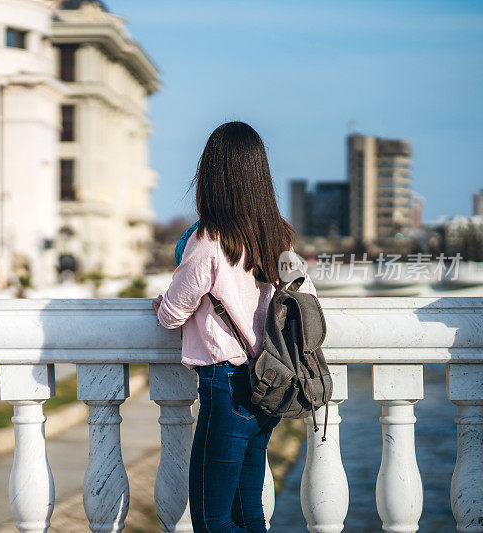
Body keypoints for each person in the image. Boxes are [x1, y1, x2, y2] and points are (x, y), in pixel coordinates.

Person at [151, 121, 316, 532]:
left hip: (226, 388)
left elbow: (172, 314)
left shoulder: (209, 241)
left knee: (211, 519)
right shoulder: (278, 237)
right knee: (248, 514)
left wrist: (163, 301)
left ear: (212, 176)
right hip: (270, 383)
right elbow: (305, 299)